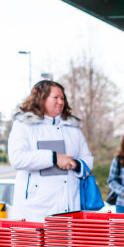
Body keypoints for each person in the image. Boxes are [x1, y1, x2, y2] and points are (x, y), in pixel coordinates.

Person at [8, 80, 94, 223]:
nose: (61, 102)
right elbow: (17, 158)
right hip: (35, 210)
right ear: (41, 98)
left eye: (63, 98)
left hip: (70, 206)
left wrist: (76, 164)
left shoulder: (73, 129)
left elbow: (88, 158)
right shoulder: (23, 125)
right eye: (56, 98)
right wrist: (53, 158)